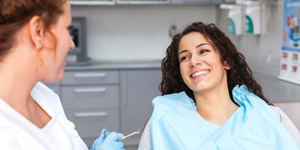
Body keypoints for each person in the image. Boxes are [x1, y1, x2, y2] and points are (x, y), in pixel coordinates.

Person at [138, 22, 300, 150]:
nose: (194, 61)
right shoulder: (163, 122)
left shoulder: (271, 117)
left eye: (203, 51)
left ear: (226, 61)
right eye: (185, 57)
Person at [0, 0, 124, 149]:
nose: (72, 44)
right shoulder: (5, 136)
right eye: (67, 28)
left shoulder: (43, 95)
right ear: (38, 31)